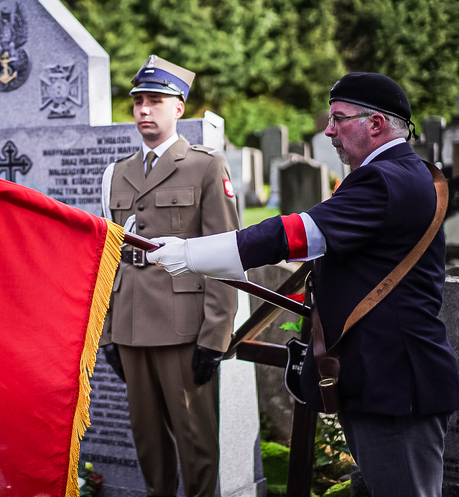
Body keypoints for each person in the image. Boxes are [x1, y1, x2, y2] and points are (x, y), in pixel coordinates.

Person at [147, 72, 459, 497]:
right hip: (386, 379)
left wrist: (188, 255)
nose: (328, 130)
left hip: (394, 386)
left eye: (338, 118)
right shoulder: (403, 172)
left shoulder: (386, 179)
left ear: (376, 124)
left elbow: (296, 234)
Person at [99, 55, 239, 497]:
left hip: (184, 329)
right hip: (130, 328)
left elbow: (225, 257)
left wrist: (215, 337)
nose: (143, 110)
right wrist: (106, 335)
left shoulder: (204, 165)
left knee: (196, 445)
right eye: (138, 101)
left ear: (178, 108)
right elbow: (109, 259)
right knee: (148, 444)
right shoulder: (115, 173)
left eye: (155, 101)